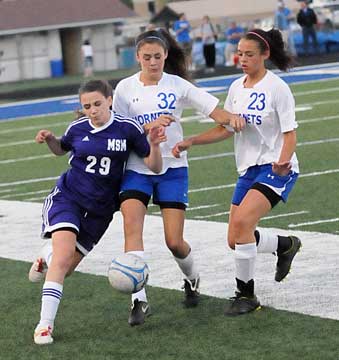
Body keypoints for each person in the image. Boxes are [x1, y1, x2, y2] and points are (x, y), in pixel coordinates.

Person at [112, 28, 243, 326]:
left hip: (173, 168)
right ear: (137, 57)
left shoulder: (178, 85)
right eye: (146, 57)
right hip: (137, 168)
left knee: (174, 242)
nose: (152, 62)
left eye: (157, 56)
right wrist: (148, 128)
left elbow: (214, 110)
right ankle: (139, 301)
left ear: (166, 55)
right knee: (133, 231)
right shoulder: (124, 89)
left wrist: (231, 119)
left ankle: (192, 278)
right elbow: (118, 128)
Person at [172, 28, 301, 316]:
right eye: (240, 53)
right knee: (235, 239)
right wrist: (193, 140)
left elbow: (290, 134)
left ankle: (246, 295)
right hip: (248, 169)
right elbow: (224, 127)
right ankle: (285, 244)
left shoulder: (277, 88)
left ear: (265, 55)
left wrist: (283, 162)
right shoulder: (236, 88)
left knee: (243, 223)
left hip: (276, 167)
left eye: (249, 54)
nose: (242, 58)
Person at [28, 79, 165, 345]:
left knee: (64, 267)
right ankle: (44, 325)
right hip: (69, 198)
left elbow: (155, 167)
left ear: (110, 100)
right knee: (64, 255)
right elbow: (61, 148)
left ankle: (46, 258)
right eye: (87, 106)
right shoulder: (78, 128)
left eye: (97, 104)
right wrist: (49, 139)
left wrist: (156, 146)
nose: (92, 110)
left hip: (101, 210)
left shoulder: (128, 128)